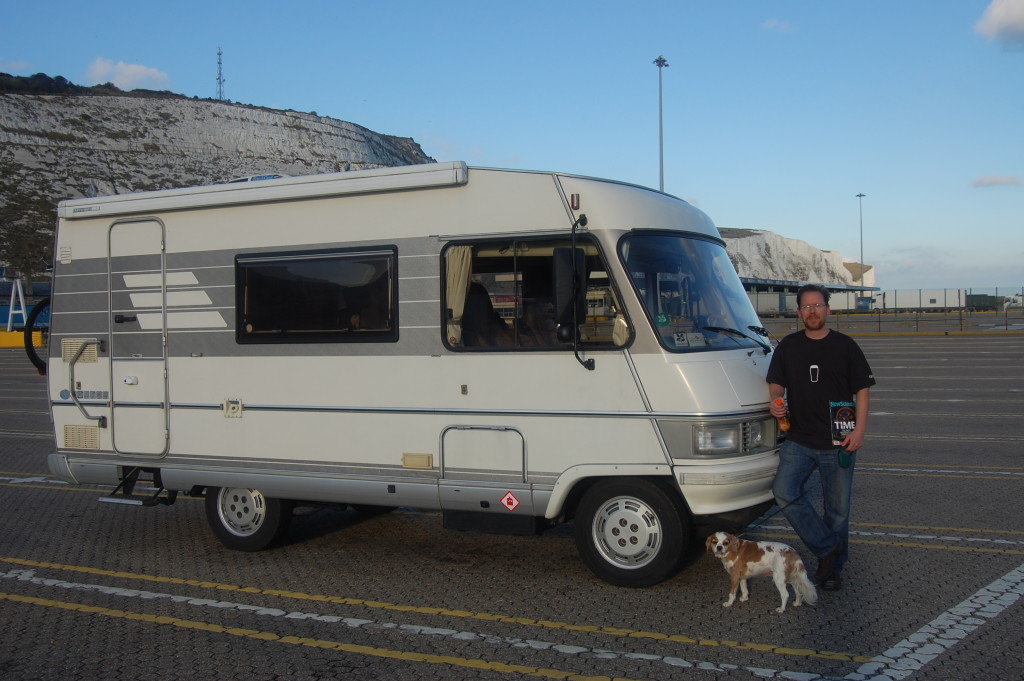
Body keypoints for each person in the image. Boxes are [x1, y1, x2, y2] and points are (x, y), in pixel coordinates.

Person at [766, 284, 875, 592]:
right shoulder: (788, 346)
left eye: (817, 306)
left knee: (838, 512)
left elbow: (862, 390)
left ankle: (832, 571)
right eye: (806, 307)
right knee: (784, 492)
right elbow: (776, 384)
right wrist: (775, 401)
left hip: (839, 442)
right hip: (799, 439)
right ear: (798, 312)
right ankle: (829, 548)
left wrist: (859, 431)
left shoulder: (845, 346)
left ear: (828, 309)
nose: (812, 311)